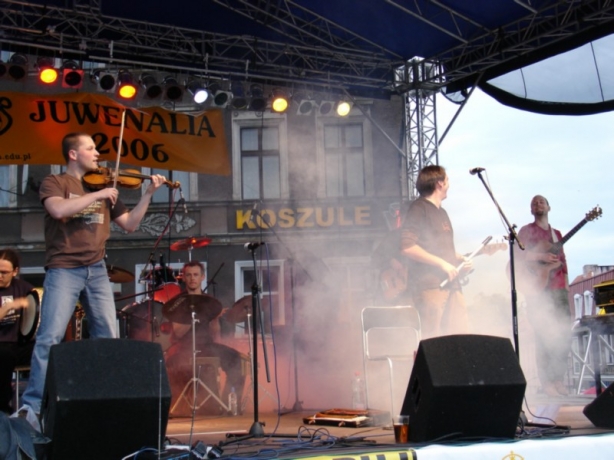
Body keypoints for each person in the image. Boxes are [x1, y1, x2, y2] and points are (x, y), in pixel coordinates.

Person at [15, 132, 167, 427]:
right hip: (63, 267)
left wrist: (148, 194)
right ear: (73, 154)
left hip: (96, 269)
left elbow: (130, 224)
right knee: (49, 337)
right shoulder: (56, 182)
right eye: (91, 148)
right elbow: (57, 209)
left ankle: (105, 401)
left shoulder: (105, 187)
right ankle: (32, 408)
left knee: (108, 337)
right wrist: (98, 195)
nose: (98, 153)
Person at [400, 165, 473, 339]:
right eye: (447, 180)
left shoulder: (442, 212)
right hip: (430, 287)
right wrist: (443, 264)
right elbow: (407, 246)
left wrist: (459, 260)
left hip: (452, 285)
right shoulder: (419, 208)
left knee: (461, 338)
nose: (449, 184)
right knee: (433, 341)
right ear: (439, 183)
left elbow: (439, 250)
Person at [165, 261, 245, 415]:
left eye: (195, 275)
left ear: (202, 277)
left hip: (206, 345)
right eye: (188, 275)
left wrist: (214, 318)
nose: (192, 278)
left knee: (236, 359)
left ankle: (228, 405)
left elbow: (215, 333)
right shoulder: (178, 302)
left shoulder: (209, 301)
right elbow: (178, 332)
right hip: (184, 347)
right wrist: (196, 313)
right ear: (183, 278)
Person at [516, 195, 570, 397]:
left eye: (541, 202)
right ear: (531, 210)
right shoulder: (526, 231)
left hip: (559, 289)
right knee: (543, 335)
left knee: (563, 335)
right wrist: (541, 256)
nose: (537, 204)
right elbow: (518, 254)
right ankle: (547, 382)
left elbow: (563, 262)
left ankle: (558, 379)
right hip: (538, 289)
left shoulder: (556, 234)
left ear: (549, 207)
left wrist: (566, 287)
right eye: (534, 203)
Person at [0, 249, 36, 414]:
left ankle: (37, 405)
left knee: (47, 351)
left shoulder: (24, 288)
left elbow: (34, 314)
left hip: (20, 344)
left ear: (15, 271)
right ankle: (3, 409)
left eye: (4, 272)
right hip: (1, 345)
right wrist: (9, 306)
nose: (0, 276)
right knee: (4, 355)